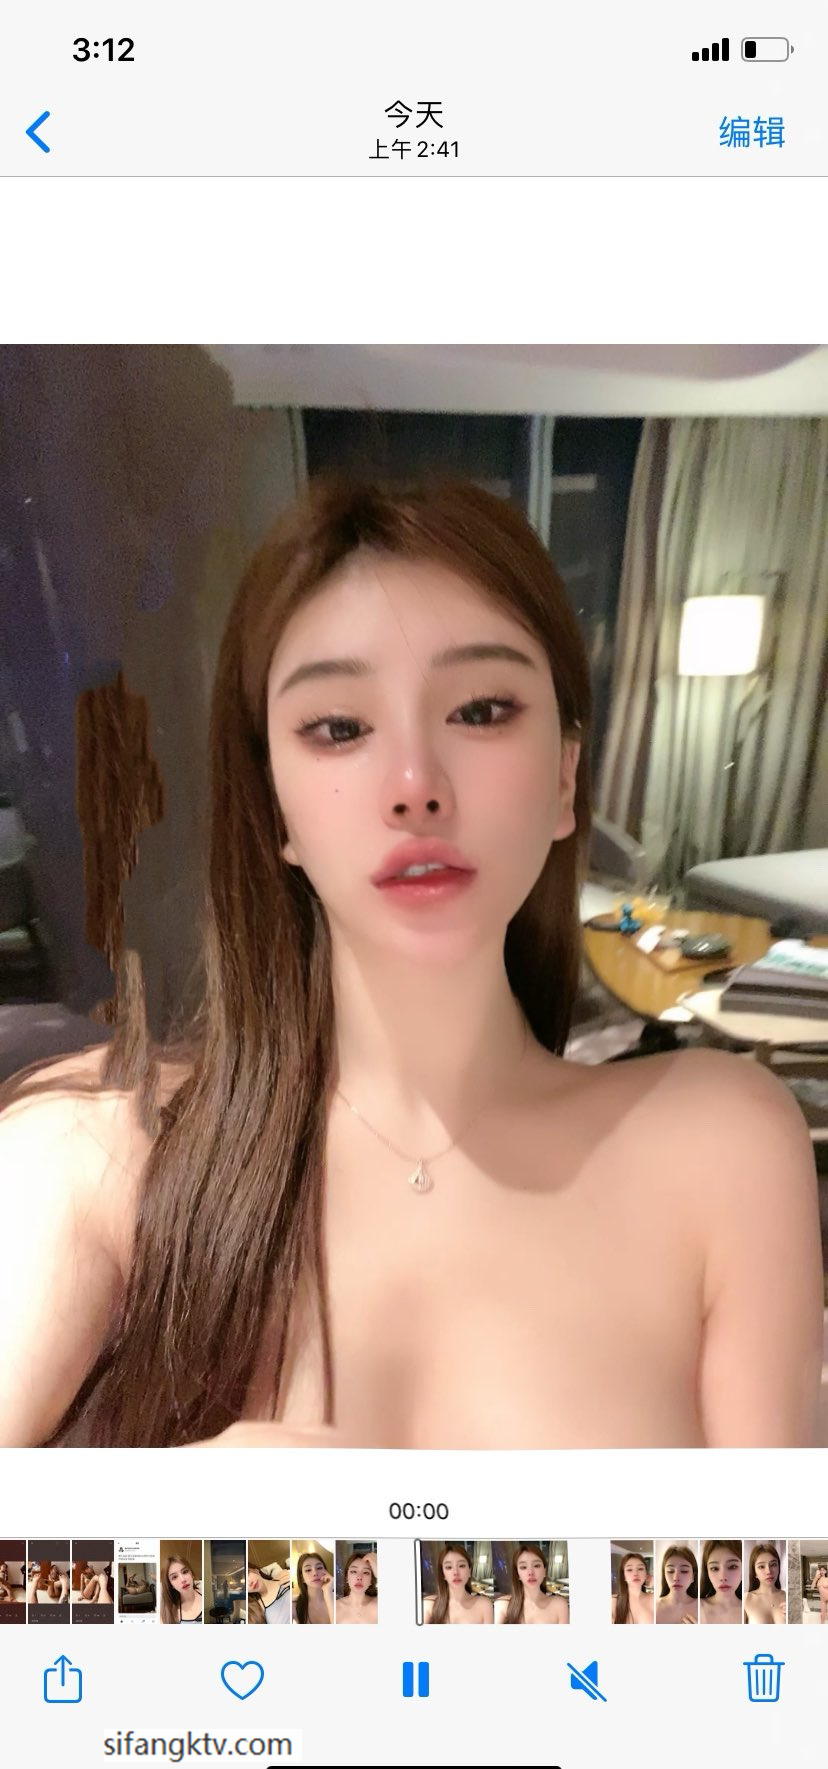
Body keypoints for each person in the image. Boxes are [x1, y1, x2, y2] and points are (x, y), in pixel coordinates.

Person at [0, 475, 821, 1451]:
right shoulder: (91, 1155)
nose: (414, 786)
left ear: (566, 779)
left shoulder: (722, 1146)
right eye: (339, 728)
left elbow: (771, 1552)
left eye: (480, 709)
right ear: (275, 808)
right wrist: (170, 1511)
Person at [494, 1542, 568, 1624]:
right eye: (523, 1567)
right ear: (517, 1574)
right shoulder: (502, 1605)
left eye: (536, 1566)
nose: (530, 1572)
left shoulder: (559, 1605)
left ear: (544, 1571)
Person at [424, 1543, 493, 1625]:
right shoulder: (429, 1605)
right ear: (443, 1574)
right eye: (449, 1567)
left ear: (469, 1571)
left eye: (461, 1566)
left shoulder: (484, 1604)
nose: (456, 1572)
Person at [698, 1540, 743, 1625]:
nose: (723, 1577)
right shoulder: (696, 1607)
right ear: (707, 1572)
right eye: (714, 1568)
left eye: (732, 1566)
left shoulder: (748, 1609)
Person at [743, 1543, 786, 1624]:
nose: (768, 1571)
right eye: (761, 1566)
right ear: (754, 1572)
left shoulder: (788, 1597)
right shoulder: (746, 1599)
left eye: (773, 1565)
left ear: (778, 1567)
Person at [655, 1546, 698, 1625]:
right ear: (664, 1575)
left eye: (684, 1571)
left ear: (693, 1576)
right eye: (670, 1571)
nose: (676, 1578)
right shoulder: (654, 1607)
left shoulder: (703, 1607)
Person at [335, 1550, 379, 1624]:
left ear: (371, 1581)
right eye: (354, 1571)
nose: (359, 1577)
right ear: (347, 1577)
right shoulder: (335, 1607)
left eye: (366, 1572)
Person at [611, 1552, 654, 1625]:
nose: (635, 1573)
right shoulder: (614, 1602)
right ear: (623, 1576)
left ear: (646, 1574)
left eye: (640, 1569)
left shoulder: (653, 1598)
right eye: (629, 1570)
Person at [293, 1552, 334, 1624]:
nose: (315, 1573)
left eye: (319, 1568)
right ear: (302, 1578)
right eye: (308, 1570)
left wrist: (328, 1594)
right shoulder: (294, 1605)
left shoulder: (336, 1600)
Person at [160, 1555, 203, 1625]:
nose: (183, 1580)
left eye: (185, 1572)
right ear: (170, 1584)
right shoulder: (167, 1611)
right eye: (174, 1577)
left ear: (192, 1574)